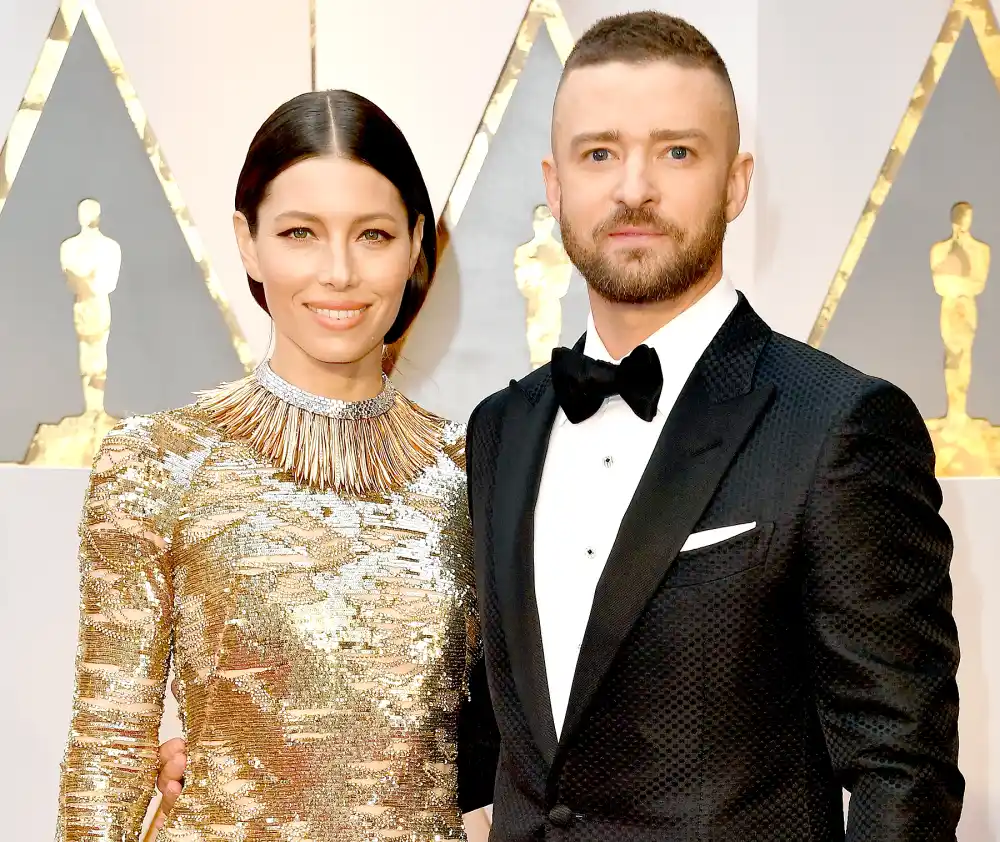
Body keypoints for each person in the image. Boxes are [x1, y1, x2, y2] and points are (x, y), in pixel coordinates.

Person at [157, 11, 965, 841]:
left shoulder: (837, 425)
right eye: (600, 153)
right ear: (555, 186)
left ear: (736, 182)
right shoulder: (503, 429)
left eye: (677, 151)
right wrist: (256, 753)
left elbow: (903, 772)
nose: (634, 188)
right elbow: (487, 729)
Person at [54, 89, 498, 842]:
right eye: (299, 233)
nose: (338, 273)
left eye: (373, 235)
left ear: (416, 242)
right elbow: (108, 749)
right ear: (247, 240)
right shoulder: (159, 464)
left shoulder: (481, 471)